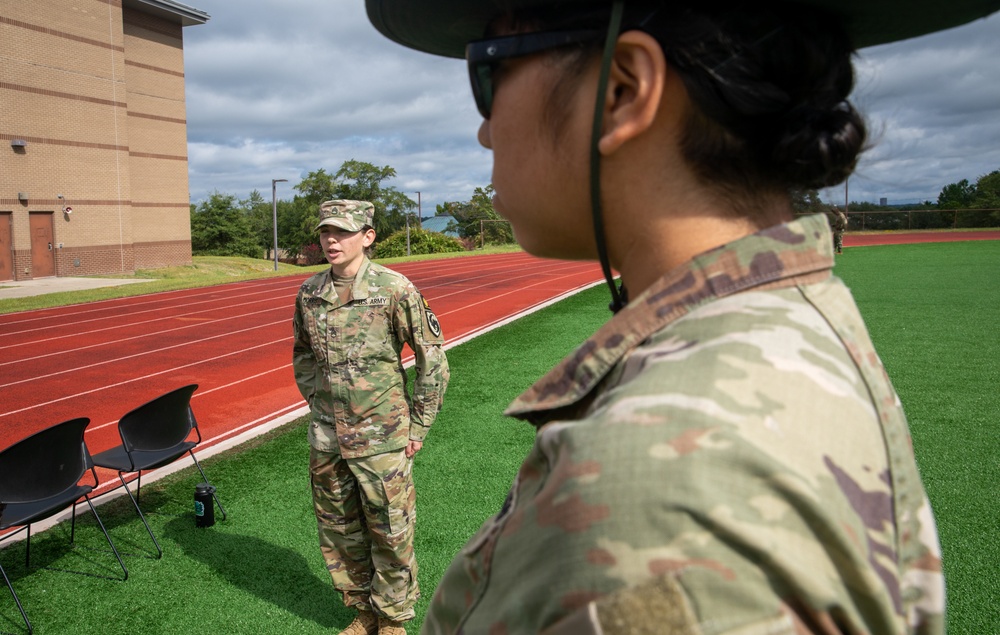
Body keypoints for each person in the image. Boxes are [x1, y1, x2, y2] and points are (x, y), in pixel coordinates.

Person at [364, 0, 1000, 633]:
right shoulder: (780, 325)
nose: (484, 128)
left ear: (621, 91)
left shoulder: (661, 498)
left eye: (487, 73)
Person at [292, 200, 449, 635]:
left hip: (382, 437)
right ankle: (363, 610)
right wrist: (318, 401)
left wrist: (419, 424)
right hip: (328, 437)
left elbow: (431, 358)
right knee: (340, 530)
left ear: (367, 236)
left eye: (342, 232)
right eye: (326, 232)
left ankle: (394, 619)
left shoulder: (394, 289)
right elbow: (303, 354)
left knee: (391, 530)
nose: (331, 240)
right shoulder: (310, 292)